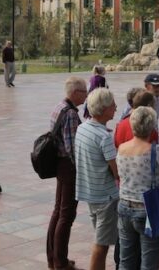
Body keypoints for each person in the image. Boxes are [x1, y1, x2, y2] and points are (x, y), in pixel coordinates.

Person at [116, 106, 159, 270]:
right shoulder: (155, 151)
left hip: (124, 206)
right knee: (149, 263)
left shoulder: (121, 148)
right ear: (151, 127)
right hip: (148, 210)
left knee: (126, 260)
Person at [75, 88, 119, 270]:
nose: (116, 107)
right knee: (101, 245)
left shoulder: (82, 128)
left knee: (102, 240)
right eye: (113, 105)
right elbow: (116, 171)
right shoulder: (104, 136)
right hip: (105, 196)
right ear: (104, 109)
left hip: (90, 192)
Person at [46, 77, 87, 270]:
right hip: (68, 167)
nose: (86, 95)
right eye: (84, 92)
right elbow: (72, 148)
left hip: (59, 165)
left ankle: (53, 257)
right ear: (75, 93)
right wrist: (82, 168)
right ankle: (60, 262)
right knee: (66, 215)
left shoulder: (59, 107)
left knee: (58, 211)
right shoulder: (70, 113)